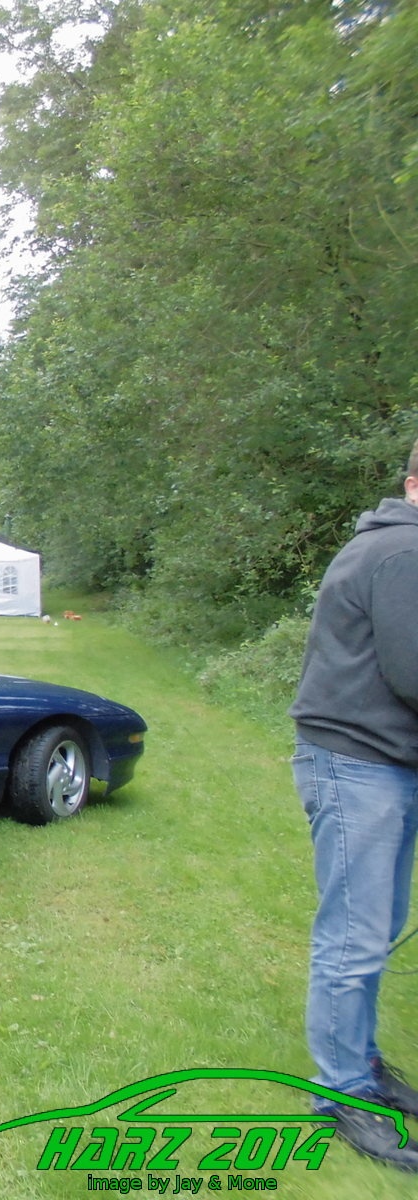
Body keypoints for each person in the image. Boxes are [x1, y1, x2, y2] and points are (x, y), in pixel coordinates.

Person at [289, 435, 418, 1171]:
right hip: (357, 763)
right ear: (413, 485)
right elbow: (414, 671)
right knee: (354, 935)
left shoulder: (397, 547)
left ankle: (360, 1064)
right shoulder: (402, 552)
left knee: (377, 925)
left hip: (385, 761)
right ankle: (340, 1093)